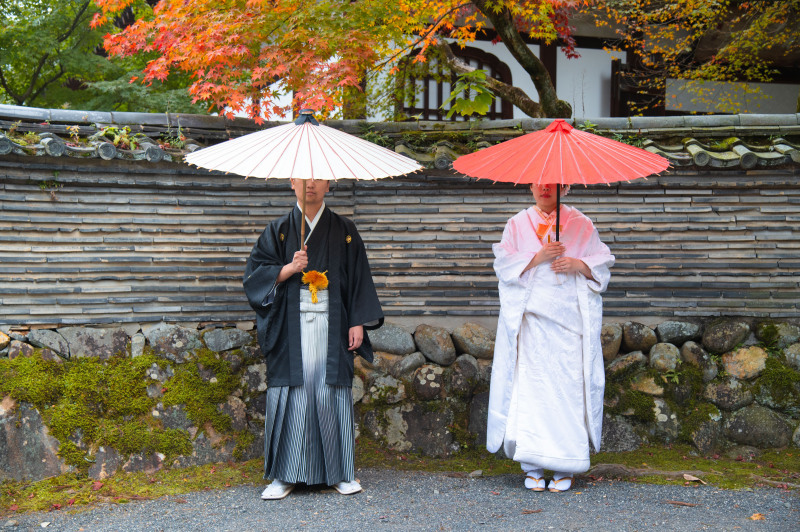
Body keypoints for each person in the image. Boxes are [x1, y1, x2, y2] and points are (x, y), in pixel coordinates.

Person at [243, 178, 383, 500]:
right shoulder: (277, 230)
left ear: (329, 184)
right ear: (293, 182)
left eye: (319, 178)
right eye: (304, 178)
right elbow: (254, 279)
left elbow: (359, 278)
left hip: (333, 324)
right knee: (293, 395)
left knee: (328, 393)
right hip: (290, 327)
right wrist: (289, 268)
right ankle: (283, 475)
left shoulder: (344, 230)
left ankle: (340, 472)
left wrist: (358, 321)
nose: (311, 184)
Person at [486, 183, 614, 493]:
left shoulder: (581, 224)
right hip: (532, 325)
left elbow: (602, 264)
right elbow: (503, 266)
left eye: (552, 181)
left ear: (565, 186)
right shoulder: (517, 224)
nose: (544, 187)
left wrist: (578, 264)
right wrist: (539, 256)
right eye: (538, 180)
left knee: (566, 392)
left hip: (568, 326)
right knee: (531, 392)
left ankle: (565, 464)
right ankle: (531, 464)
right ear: (530, 185)